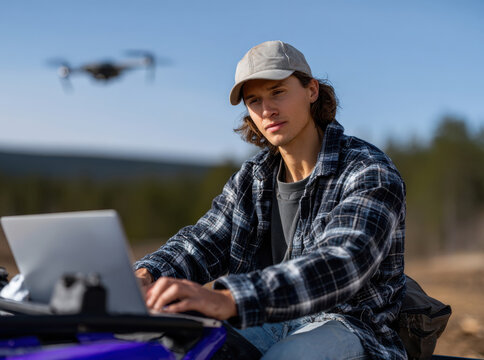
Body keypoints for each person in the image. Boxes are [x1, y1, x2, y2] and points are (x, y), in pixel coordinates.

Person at [134, 40, 407, 360]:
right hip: (265, 319)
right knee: (176, 346)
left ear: (312, 90)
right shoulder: (252, 178)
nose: (267, 110)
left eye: (278, 92)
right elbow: (203, 242)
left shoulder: (367, 170)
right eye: (254, 100)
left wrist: (230, 300)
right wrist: (147, 274)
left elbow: (342, 262)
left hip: (350, 326)